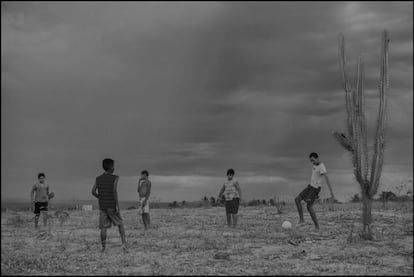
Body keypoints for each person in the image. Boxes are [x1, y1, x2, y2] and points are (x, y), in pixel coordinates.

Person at [91, 158, 127, 252]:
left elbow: (93, 192)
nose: (114, 168)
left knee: (103, 228)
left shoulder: (98, 179)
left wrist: (101, 197)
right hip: (112, 206)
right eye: (113, 166)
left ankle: (103, 247)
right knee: (120, 224)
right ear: (111, 167)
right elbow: (114, 191)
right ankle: (124, 245)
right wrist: (117, 206)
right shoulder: (115, 178)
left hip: (102, 206)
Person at [294, 152, 335, 230]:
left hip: (315, 188)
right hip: (310, 186)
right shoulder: (314, 166)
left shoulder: (321, 166)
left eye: (313, 160)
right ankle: (302, 220)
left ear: (317, 158)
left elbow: (326, 179)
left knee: (309, 207)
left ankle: (317, 227)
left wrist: (331, 192)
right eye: (311, 161)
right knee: (297, 199)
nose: (312, 162)